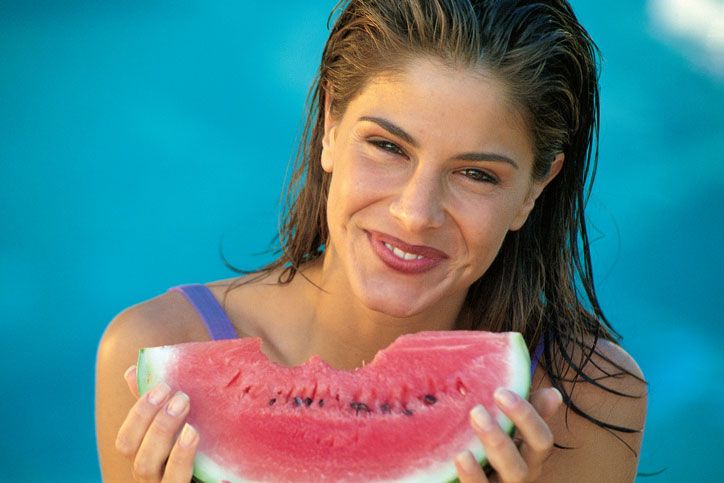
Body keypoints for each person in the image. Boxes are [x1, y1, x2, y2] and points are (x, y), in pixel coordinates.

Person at [95, 0, 647, 481]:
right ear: (331, 126)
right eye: (387, 147)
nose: (415, 214)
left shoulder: (590, 402)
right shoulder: (155, 356)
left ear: (534, 189)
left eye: (476, 174)